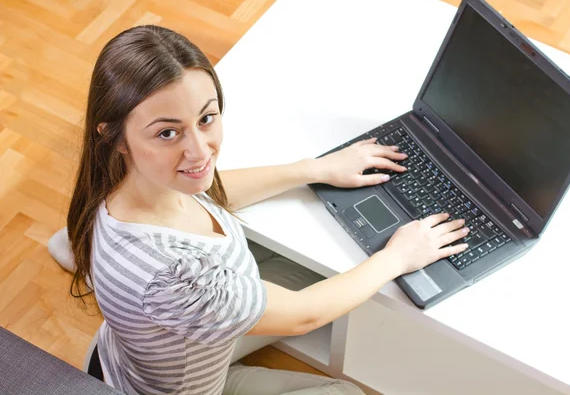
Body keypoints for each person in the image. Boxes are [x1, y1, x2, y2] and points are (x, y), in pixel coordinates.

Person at [48, 25, 469, 395]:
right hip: (184, 387)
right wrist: (397, 256)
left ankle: (88, 266)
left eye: (207, 118)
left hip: (136, 353)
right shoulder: (175, 278)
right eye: (168, 132)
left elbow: (213, 190)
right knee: (343, 390)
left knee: (311, 272)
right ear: (115, 137)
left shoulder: (115, 185)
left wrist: (315, 168)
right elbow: (306, 317)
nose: (199, 151)